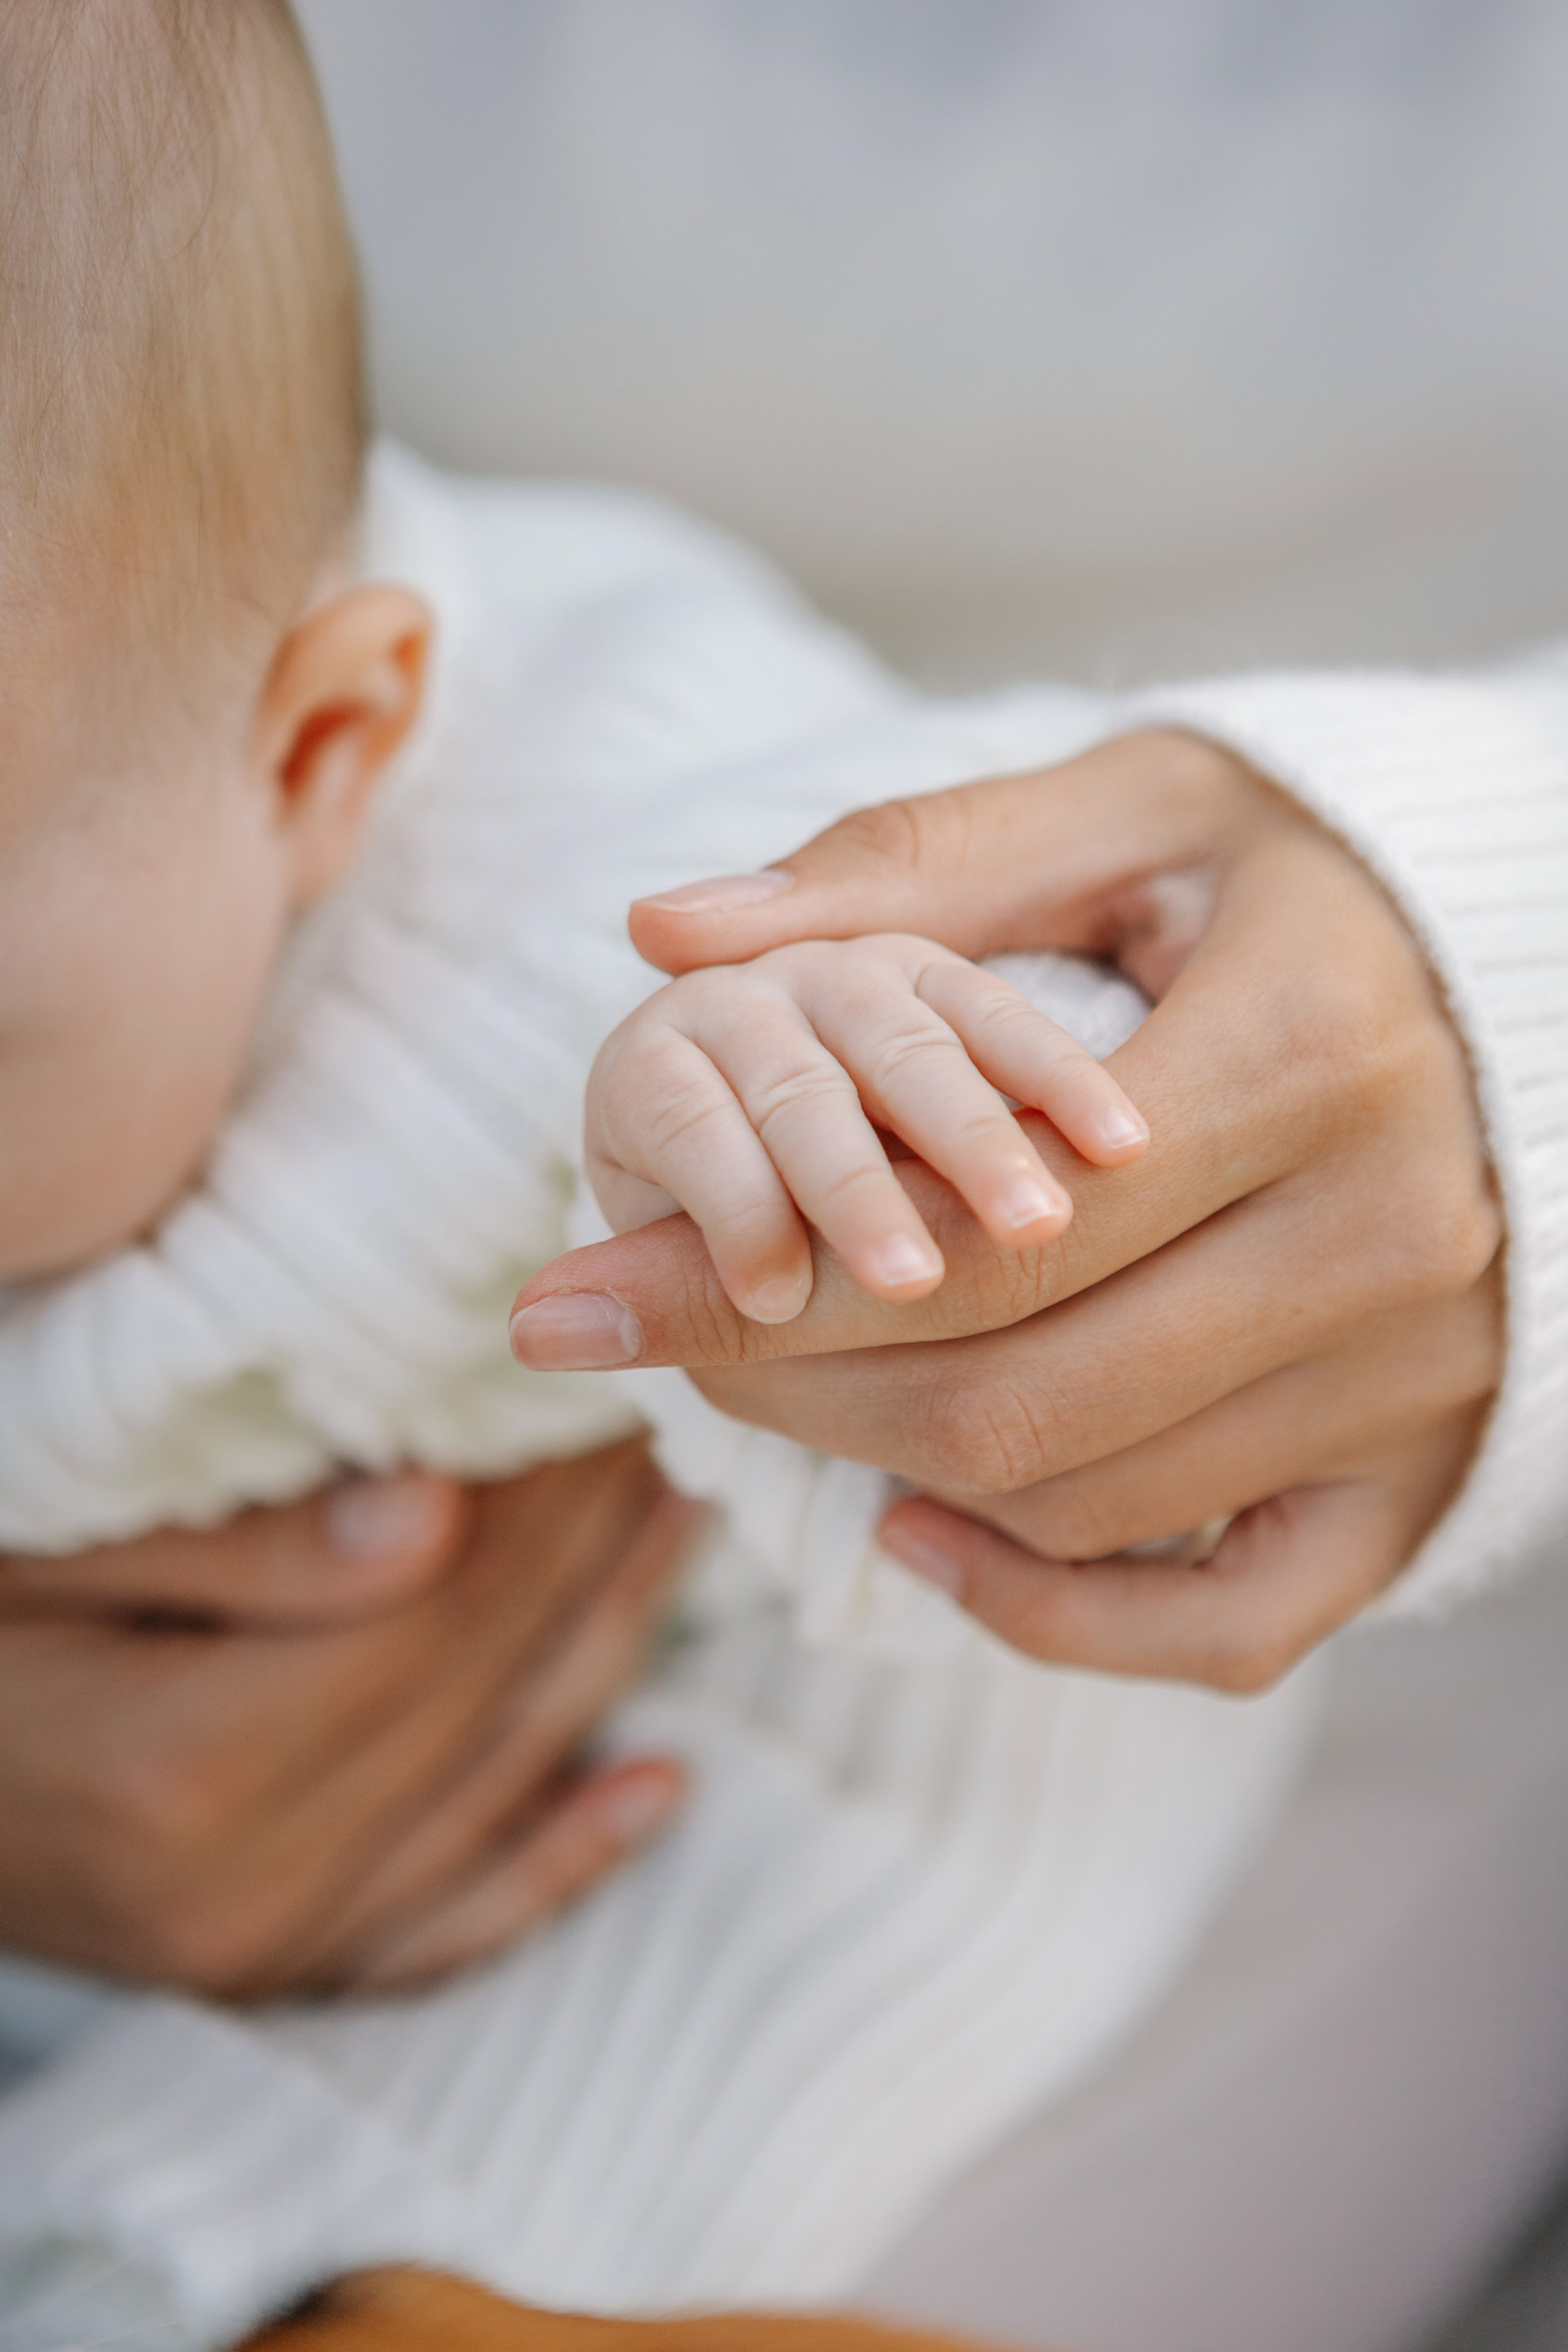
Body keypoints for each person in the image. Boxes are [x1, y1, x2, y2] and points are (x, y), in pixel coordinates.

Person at [4, 9, 1567, 2352]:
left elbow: (1102, 1098)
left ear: (322, 757)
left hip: (725, 1975)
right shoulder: (81, 798)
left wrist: (809, 1106)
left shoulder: (567, 914)